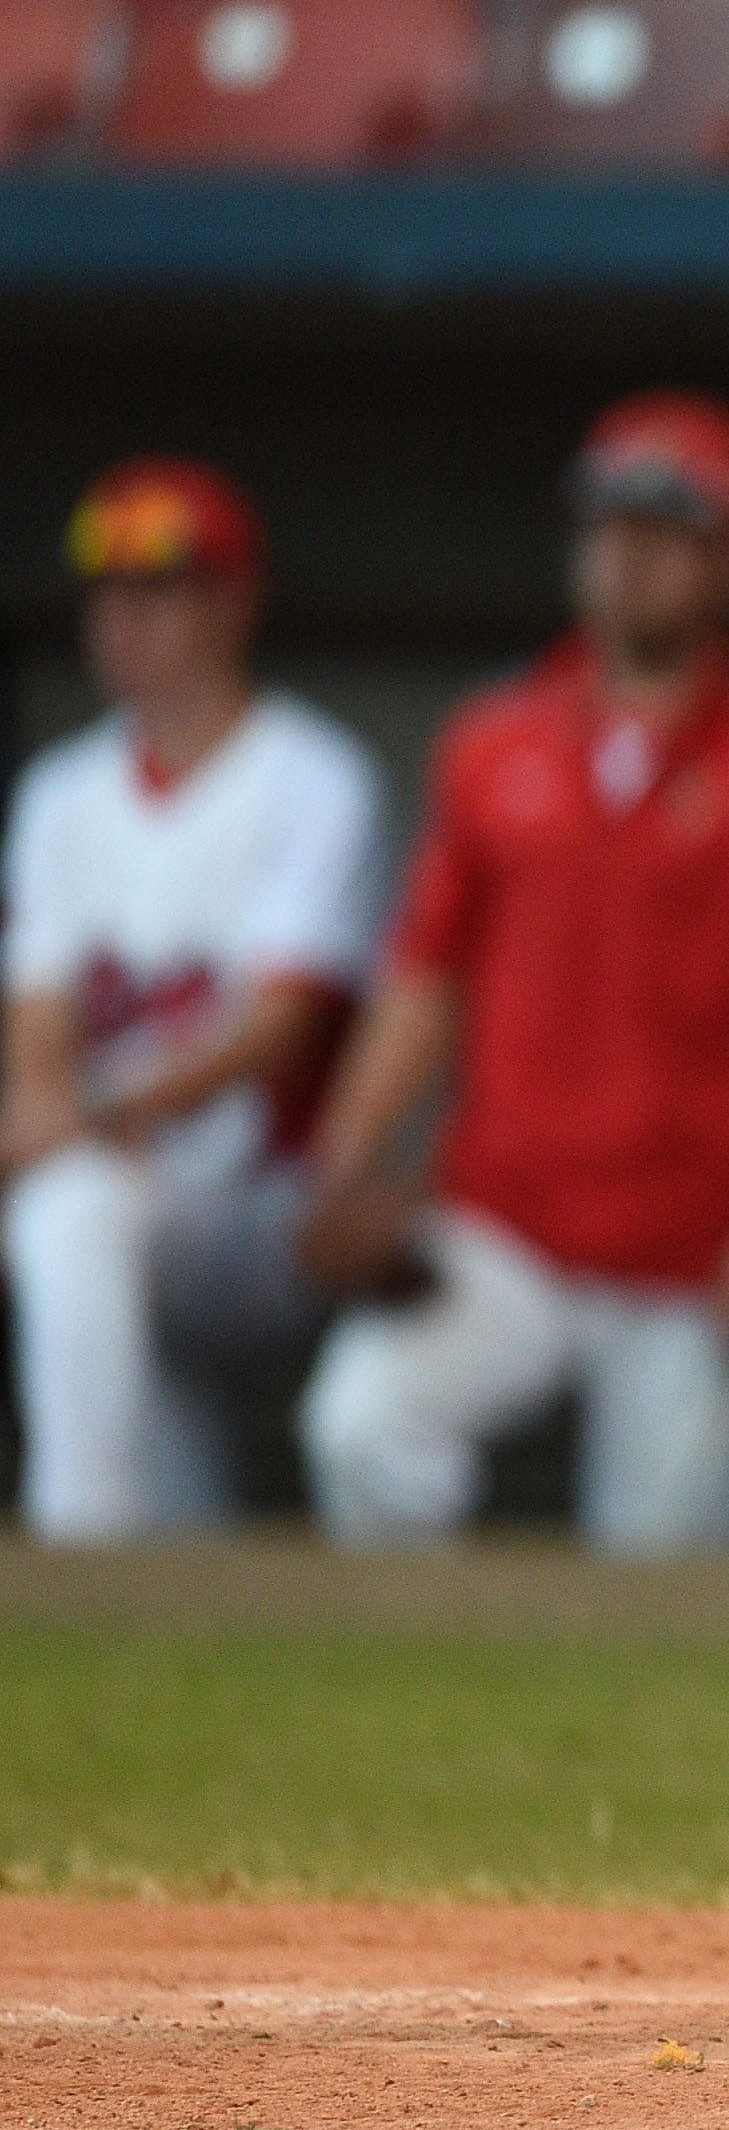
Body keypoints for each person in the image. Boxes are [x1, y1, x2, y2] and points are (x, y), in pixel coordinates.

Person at [297, 397, 729, 1556]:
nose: (631, 556)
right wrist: (349, 1151)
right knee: (362, 1422)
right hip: (502, 1217)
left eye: (671, 531)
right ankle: (429, 1692)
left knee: (664, 1572)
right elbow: (425, 972)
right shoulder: (494, 737)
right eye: (613, 526)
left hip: (690, 1241)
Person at [1, 463, 379, 1544]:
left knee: (72, 1203)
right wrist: (42, 1110)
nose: (121, 623)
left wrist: (87, 1113)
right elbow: (36, 1012)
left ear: (233, 603)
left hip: (265, 1211)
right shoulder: (60, 796)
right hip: (126, 1198)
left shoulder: (313, 776)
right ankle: (100, 1557)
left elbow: (280, 1026)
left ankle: (80, 1562)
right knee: (72, 1212)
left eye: (156, 593)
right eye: (106, 596)